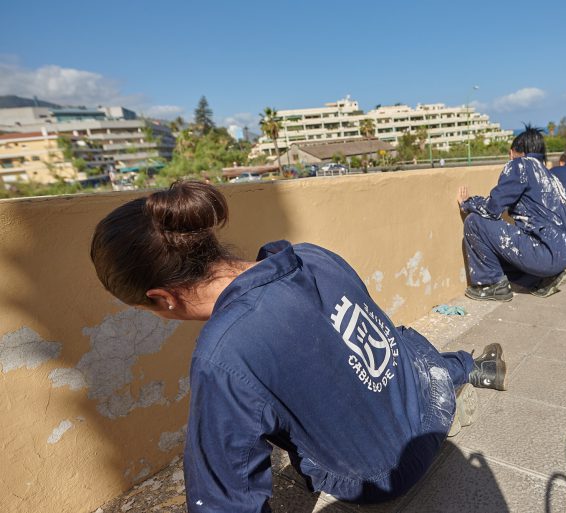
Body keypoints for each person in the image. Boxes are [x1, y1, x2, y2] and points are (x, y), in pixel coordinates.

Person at [89, 181, 507, 513]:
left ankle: (460, 373)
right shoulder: (312, 257)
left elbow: (224, 498)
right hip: (428, 400)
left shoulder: (224, 352)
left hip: (381, 476)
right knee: (397, 340)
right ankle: (465, 368)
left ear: (163, 298)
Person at [456, 125, 566, 300]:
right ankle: (541, 279)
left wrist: (468, 203)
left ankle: (492, 285)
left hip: (547, 254)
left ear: (514, 152)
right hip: (565, 253)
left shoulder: (520, 165)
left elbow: (492, 208)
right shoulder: (550, 175)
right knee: (510, 241)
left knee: (475, 222)